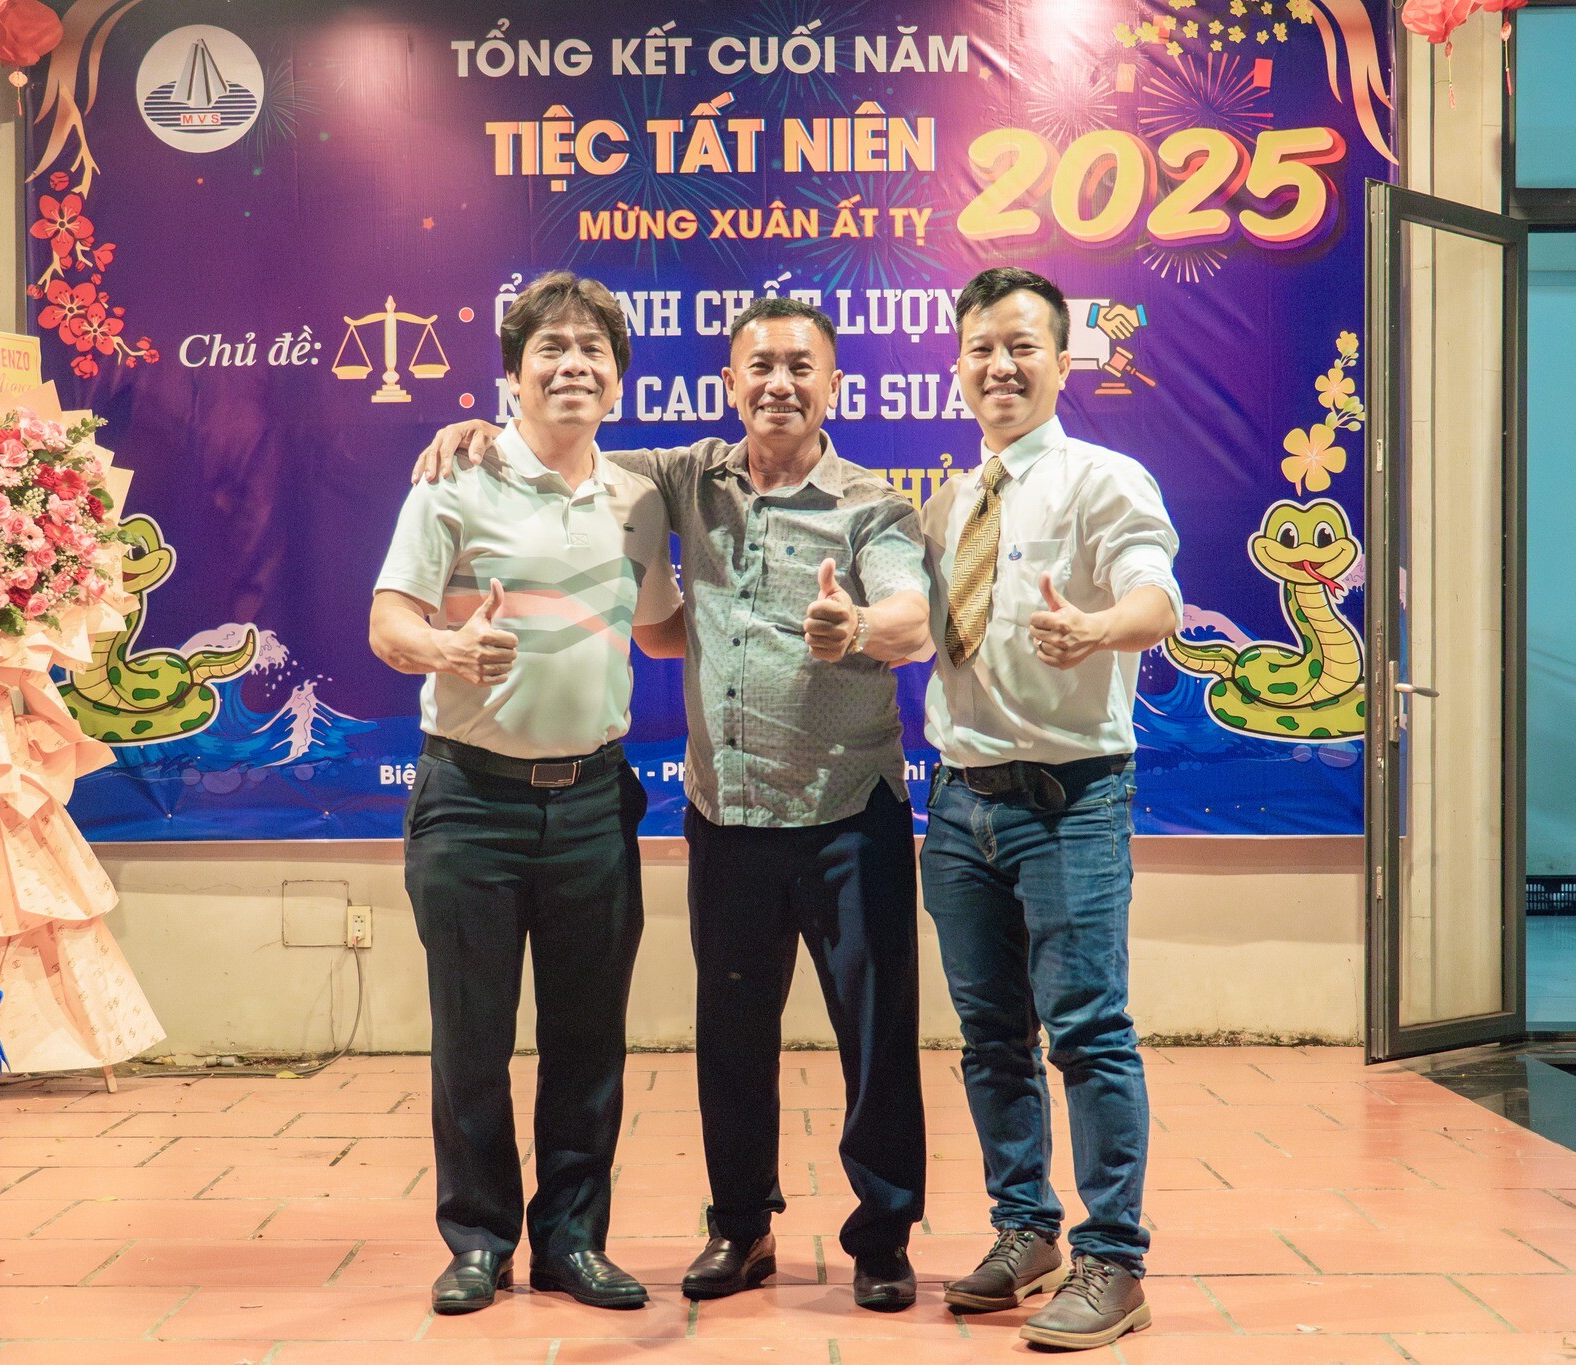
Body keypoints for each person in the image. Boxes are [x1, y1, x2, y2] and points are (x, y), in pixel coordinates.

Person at [410, 297, 933, 1312]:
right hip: (727, 817)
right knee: (730, 1039)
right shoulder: (684, 476)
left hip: (846, 813)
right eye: (759, 367)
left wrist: (861, 626)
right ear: (728, 384)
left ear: (834, 386)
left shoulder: (874, 504)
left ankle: (882, 1236)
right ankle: (740, 1227)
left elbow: (911, 616)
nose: (779, 384)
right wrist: (477, 427)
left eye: (801, 367)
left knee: (875, 1038)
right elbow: (561, 439)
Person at [369, 271, 685, 1316]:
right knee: (470, 1038)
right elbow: (388, 623)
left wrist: (780, 633)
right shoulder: (452, 481)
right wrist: (446, 649)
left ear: (617, 379)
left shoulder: (636, 500)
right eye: (551, 347)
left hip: (594, 803)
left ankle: (572, 1242)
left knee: (588, 1040)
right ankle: (477, 1239)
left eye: (593, 349)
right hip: (470, 802)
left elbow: (660, 630)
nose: (572, 365)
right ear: (512, 373)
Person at [919, 267, 1182, 1352]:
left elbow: (1156, 595)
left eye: (1022, 346)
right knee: (991, 1037)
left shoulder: (1102, 481)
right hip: (958, 806)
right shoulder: (948, 503)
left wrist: (1101, 629)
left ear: (1062, 362)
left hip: (1070, 800)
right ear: (958, 366)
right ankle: (1023, 1228)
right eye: (981, 347)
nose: (1000, 366)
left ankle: (1112, 1258)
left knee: (1087, 1030)